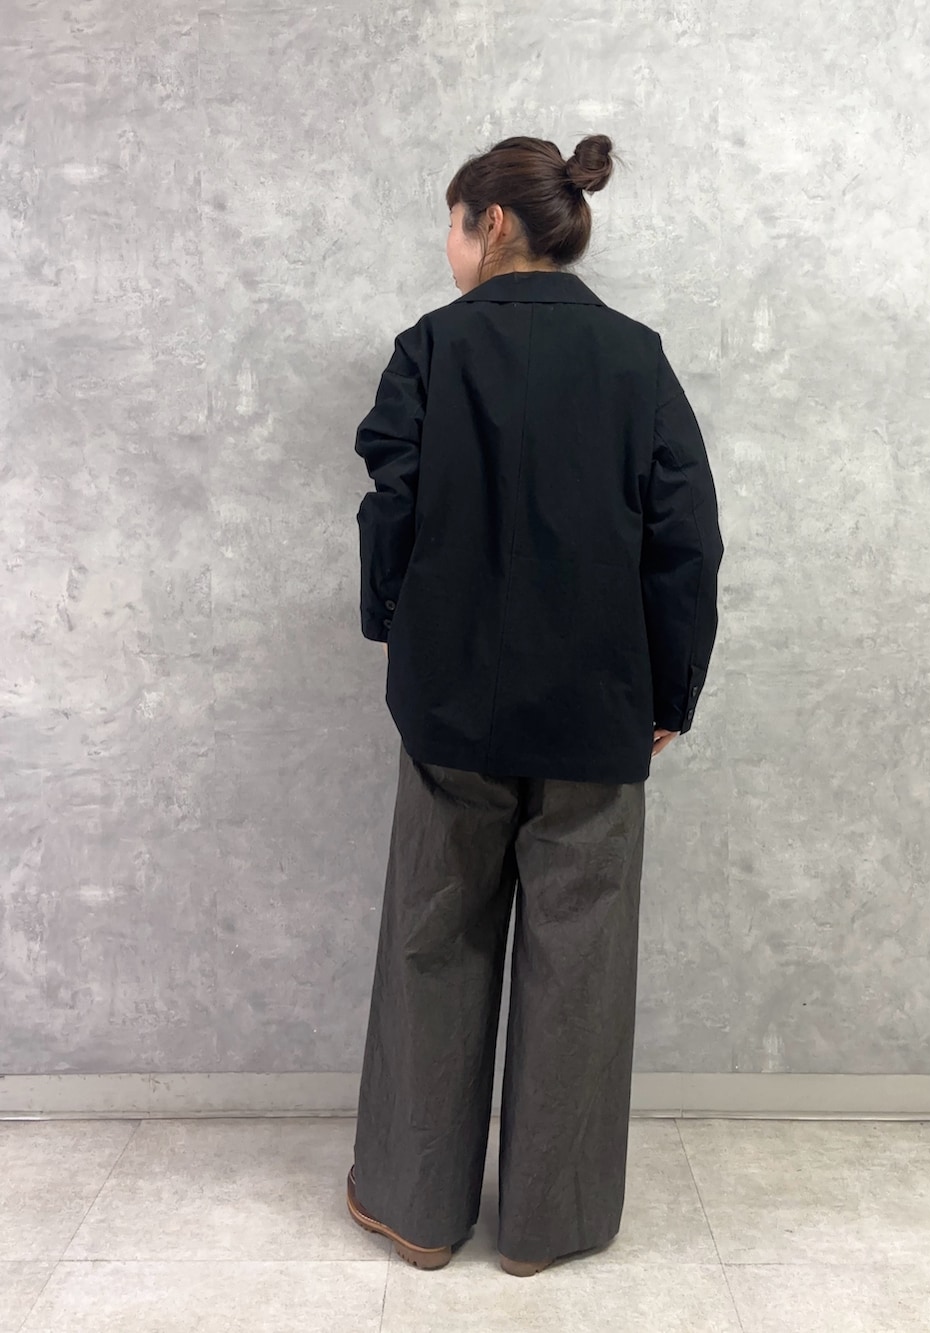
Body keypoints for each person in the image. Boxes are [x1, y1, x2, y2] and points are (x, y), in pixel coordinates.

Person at [346, 134, 724, 1276]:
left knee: (433, 940)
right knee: (581, 964)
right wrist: (671, 687)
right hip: (597, 709)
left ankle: (417, 1208)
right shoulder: (635, 358)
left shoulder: (429, 348)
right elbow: (686, 538)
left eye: (452, 221)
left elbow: (391, 507)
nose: (448, 244)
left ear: (493, 223)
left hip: (452, 706)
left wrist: (396, 630)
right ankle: (550, 1225)